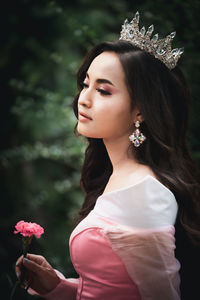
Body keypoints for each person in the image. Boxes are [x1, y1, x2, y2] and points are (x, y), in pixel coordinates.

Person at [15, 11, 200, 300]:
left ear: (141, 109)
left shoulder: (145, 192)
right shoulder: (119, 177)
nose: (83, 99)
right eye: (86, 84)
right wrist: (57, 287)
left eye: (103, 90)